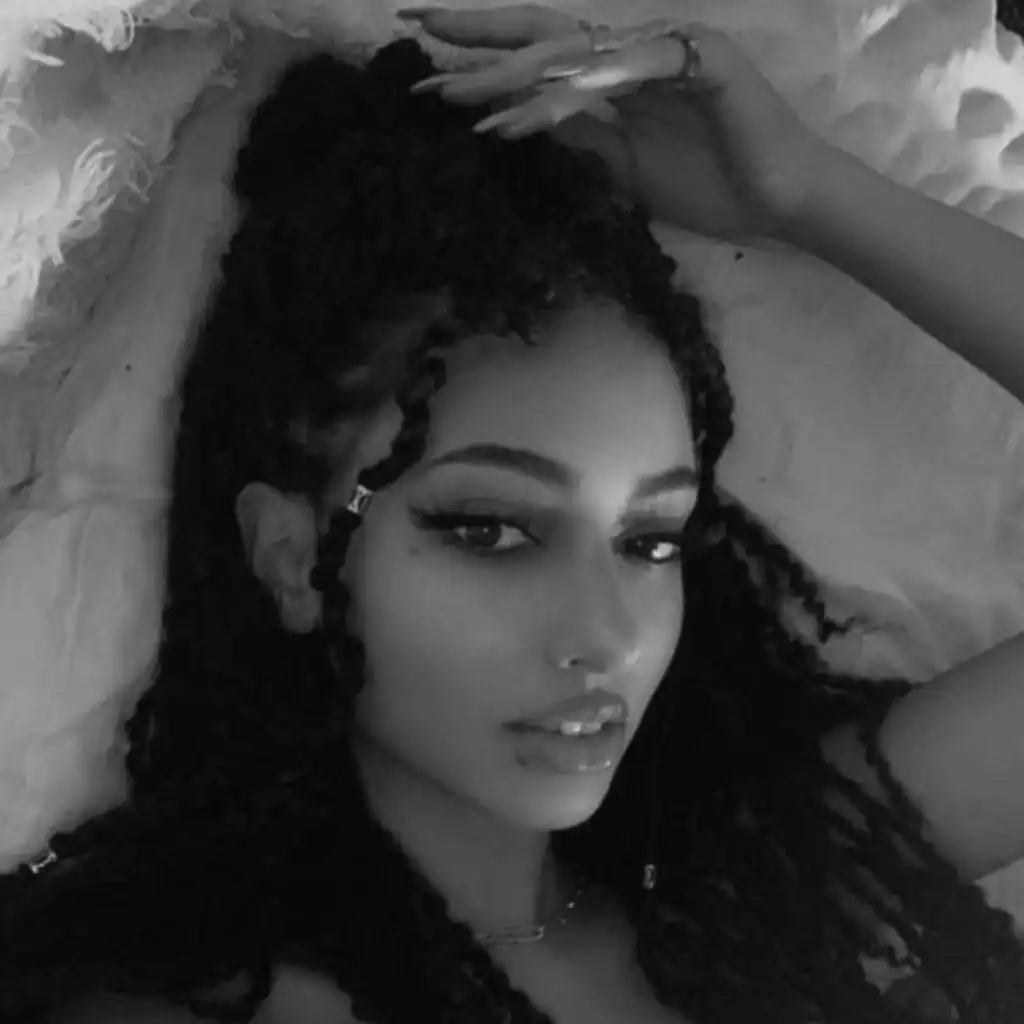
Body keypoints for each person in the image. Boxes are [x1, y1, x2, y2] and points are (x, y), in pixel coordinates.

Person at [6, 6, 1024, 1023]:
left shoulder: (751, 893)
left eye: (650, 540)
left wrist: (804, 191)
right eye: (490, 530)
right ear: (291, 557)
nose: (607, 635)